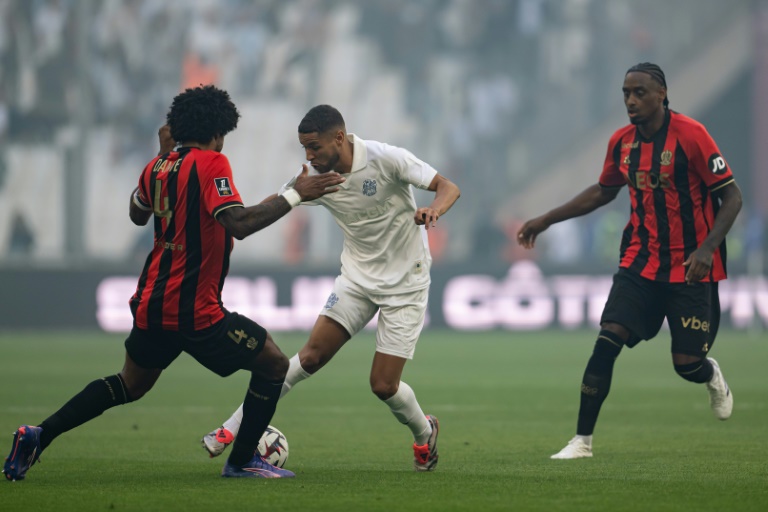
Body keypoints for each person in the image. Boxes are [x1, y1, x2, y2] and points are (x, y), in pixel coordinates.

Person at [2, 85, 344, 481]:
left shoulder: (158, 165)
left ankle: (38, 435)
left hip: (152, 303)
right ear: (217, 130)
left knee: (130, 383)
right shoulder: (212, 162)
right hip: (195, 311)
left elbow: (136, 214)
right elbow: (239, 224)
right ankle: (243, 459)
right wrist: (294, 198)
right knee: (273, 363)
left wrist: (287, 190)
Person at [201, 104, 461, 471]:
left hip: (407, 282)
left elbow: (448, 187)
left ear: (339, 138)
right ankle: (231, 428)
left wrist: (434, 209)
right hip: (356, 280)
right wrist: (228, 220)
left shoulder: (387, 158)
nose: (309, 156)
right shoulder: (314, 179)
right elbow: (266, 209)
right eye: (303, 148)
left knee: (383, 386)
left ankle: (424, 432)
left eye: (314, 147)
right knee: (309, 357)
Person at [516, 63, 743, 459]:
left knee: (687, 365)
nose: (631, 101)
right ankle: (581, 441)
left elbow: (733, 196)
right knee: (606, 342)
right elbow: (603, 193)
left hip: (690, 268)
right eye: (625, 93)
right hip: (641, 263)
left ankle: (711, 375)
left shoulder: (692, 135)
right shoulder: (622, 142)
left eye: (639, 92)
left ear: (662, 94)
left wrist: (707, 249)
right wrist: (545, 219)